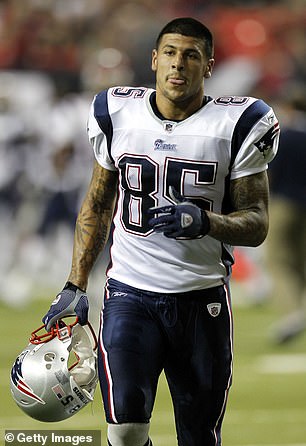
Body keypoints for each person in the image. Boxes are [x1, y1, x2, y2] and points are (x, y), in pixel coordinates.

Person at [42, 17, 279, 446]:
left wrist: (206, 221)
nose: (178, 64)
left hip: (201, 297)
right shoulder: (116, 111)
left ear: (208, 65)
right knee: (125, 433)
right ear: (154, 60)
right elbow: (98, 202)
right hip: (130, 295)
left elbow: (258, 223)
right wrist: (75, 283)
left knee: (199, 437)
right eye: (170, 53)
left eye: (191, 55)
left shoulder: (240, 122)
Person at [266, 91, 306, 344]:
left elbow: (267, 174)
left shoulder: (284, 137)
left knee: (278, 261)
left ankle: (292, 313)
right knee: (302, 262)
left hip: (283, 204)